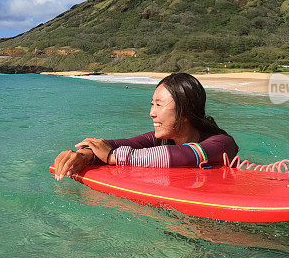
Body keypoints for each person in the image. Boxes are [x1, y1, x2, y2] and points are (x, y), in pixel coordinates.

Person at [53, 72, 238, 180]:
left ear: (186, 113)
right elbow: (114, 144)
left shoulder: (222, 143)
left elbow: (186, 155)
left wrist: (112, 157)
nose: (152, 113)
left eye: (159, 105)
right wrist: (84, 155)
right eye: (152, 104)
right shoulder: (160, 139)